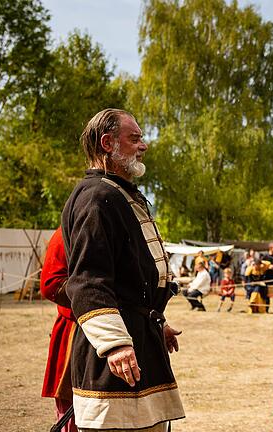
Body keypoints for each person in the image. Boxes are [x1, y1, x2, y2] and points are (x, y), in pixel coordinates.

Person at [61, 109, 184, 431]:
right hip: (113, 354)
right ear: (107, 143)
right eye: (135, 138)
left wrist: (154, 318)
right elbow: (88, 279)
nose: (143, 145)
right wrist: (115, 342)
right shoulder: (96, 196)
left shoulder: (119, 193)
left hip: (140, 338)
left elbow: (132, 277)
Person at [41, 228, 77, 432]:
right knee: (72, 410)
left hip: (117, 329)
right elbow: (51, 284)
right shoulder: (66, 233)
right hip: (75, 329)